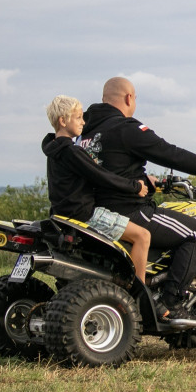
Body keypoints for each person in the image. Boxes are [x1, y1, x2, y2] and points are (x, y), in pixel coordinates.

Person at [78, 77, 196, 322]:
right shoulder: (125, 128)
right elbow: (170, 154)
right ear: (128, 98)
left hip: (95, 211)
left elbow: (110, 168)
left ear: (103, 99)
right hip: (129, 210)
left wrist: (144, 178)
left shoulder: (85, 132)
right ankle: (171, 302)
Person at [42, 95, 151, 285]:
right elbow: (102, 176)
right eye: (78, 117)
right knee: (143, 236)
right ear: (63, 120)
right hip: (84, 215)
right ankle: (139, 295)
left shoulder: (54, 150)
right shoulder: (72, 151)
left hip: (62, 215)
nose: (83, 122)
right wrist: (135, 187)